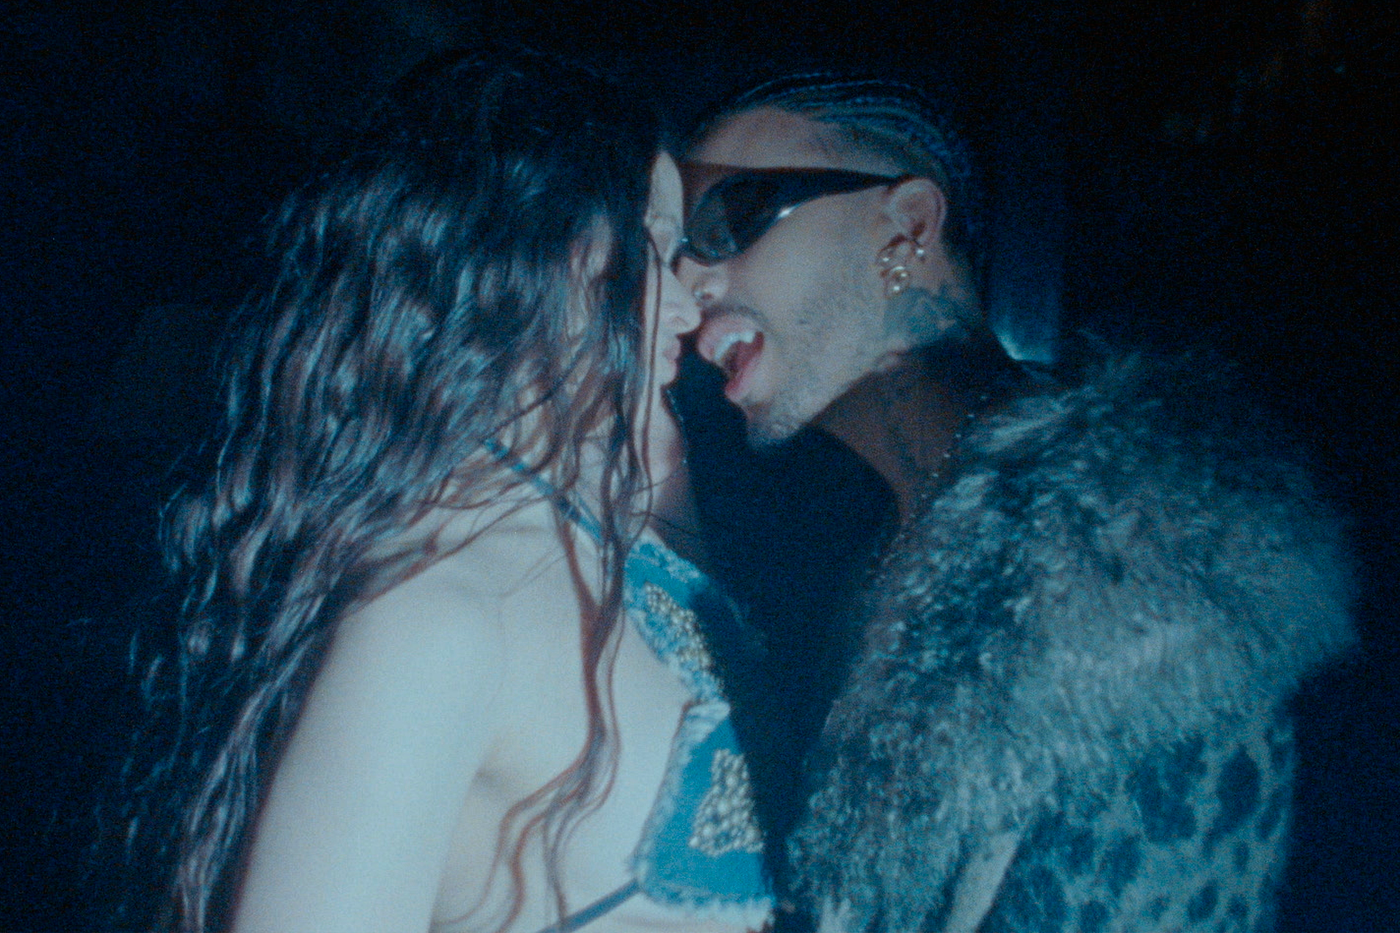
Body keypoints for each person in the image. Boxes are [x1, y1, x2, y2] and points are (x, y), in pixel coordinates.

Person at [675, 73, 1355, 932]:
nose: (687, 276)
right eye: (677, 245)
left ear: (908, 225)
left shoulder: (1141, 563)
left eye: (731, 216)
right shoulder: (867, 546)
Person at [130, 49, 772, 933]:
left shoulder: (621, 525)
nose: (687, 307)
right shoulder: (440, 615)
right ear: (525, 241)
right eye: (651, 247)